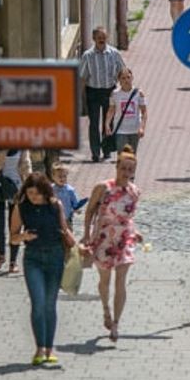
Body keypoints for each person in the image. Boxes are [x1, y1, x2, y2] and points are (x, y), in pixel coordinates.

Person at [10, 172, 77, 365]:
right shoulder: (21, 208)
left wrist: (75, 243)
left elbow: (65, 230)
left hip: (55, 257)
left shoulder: (55, 205)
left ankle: (49, 349)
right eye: (30, 194)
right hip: (33, 259)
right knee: (38, 304)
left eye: (37, 194)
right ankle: (39, 348)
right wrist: (24, 237)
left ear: (45, 191)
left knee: (50, 304)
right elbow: (12, 237)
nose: (34, 198)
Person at [83, 146, 142, 342]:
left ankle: (116, 323)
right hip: (104, 238)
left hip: (124, 239)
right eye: (123, 168)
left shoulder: (135, 192)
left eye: (130, 170)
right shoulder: (103, 188)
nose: (126, 173)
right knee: (105, 280)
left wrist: (135, 232)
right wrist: (86, 234)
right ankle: (105, 310)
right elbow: (90, 210)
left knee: (121, 281)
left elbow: (129, 217)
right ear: (117, 167)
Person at [79, 26, 126, 163]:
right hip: (92, 92)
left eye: (104, 37)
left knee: (108, 122)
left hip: (109, 91)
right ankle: (95, 152)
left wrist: (121, 89)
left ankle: (106, 150)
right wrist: (80, 97)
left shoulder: (114, 53)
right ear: (94, 39)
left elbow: (122, 70)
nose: (102, 40)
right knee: (94, 123)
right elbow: (82, 77)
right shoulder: (87, 56)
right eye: (99, 38)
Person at [0, 149, 31, 273]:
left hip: (15, 188)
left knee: (15, 227)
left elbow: (26, 166)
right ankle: (1, 256)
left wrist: (29, 186)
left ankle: (13, 261)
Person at [105, 67, 147, 153]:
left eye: (128, 77)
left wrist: (142, 127)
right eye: (123, 78)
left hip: (134, 130)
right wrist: (107, 124)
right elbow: (111, 110)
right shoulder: (115, 94)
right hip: (121, 130)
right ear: (119, 80)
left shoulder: (139, 93)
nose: (126, 80)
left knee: (131, 157)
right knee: (122, 155)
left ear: (132, 78)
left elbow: (144, 112)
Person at [51, 163, 81, 229]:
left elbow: (74, 201)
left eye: (64, 176)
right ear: (53, 177)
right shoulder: (50, 189)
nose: (62, 178)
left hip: (67, 217)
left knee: (68, 232)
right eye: (59, 176)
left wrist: (77, 208)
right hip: (54, 217)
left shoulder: (70, 190)